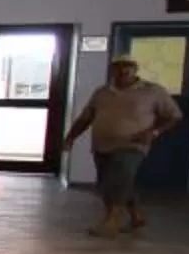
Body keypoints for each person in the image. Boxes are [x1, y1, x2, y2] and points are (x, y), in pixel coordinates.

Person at [62, 55, 182, 237]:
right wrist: (70, 138)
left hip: (132, 144)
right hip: (102, 145)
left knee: (119, 178)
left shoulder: (152, 91)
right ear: (112, 69)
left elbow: (174, 116)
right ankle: (136, 216)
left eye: (128, 66)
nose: (123, 70)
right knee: (109, 182)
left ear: (136, 69)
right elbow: (86, 118)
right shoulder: (102, 92)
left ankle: (112, 222)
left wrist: (153, 132)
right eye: (119, 66)